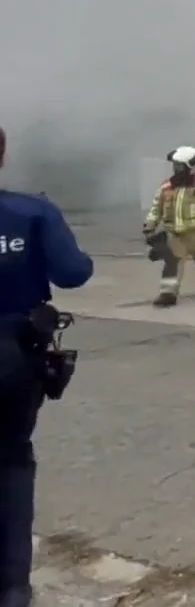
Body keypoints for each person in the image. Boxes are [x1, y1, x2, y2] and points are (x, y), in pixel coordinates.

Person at [0, 125, 95, 607]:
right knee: (12, 461)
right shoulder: (32, 211)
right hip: (14, 361)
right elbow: (73, 273)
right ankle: (13, 587)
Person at [141, 146, 195, 308]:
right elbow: (156, 208)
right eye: (175, 166)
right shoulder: (168, 186)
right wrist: (149, 226)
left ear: (190, 166)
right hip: (176, 234)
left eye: (180, 166)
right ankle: (168, 293)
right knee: (172, 262)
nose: (176, 170)